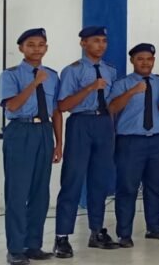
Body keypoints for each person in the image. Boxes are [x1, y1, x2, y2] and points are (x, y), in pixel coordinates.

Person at [54, 26, 119, 256]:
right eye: (95, 40)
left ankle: (97, 231)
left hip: (103, 124)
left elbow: (111, 102)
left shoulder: (110, 70)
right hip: (81, 123)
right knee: (72, 179)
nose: (101, 45)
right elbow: (63, 105)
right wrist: (90, 87)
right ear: (83, 44)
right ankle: (62, 236)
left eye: (104, 41)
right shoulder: (72, 71)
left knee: (100, 181)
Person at [1, 28, 63, 265]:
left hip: (44, 132)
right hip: (21, 131)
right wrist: (34, 83)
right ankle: (16, 249)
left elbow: (56, 110)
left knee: (40, 192)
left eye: (41, 44)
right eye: (31, 44)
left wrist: (59, 143)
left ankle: (33, 245)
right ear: (21, 48)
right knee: (18, 192)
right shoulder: (11, 75)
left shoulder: (52, 75)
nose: (37, 49)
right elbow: (12, 106)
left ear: (46, 47)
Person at [108, 43, 159, 247]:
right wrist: (132, 92)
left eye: (149, 59)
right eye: (140, 59)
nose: (145, 63)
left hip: (158, 140)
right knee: (127, 187)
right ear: (132, 61)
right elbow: (112, 108)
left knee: (155, 186)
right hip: (130, 141)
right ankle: (124, 233)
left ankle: (155, 228)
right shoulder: (122, 84)